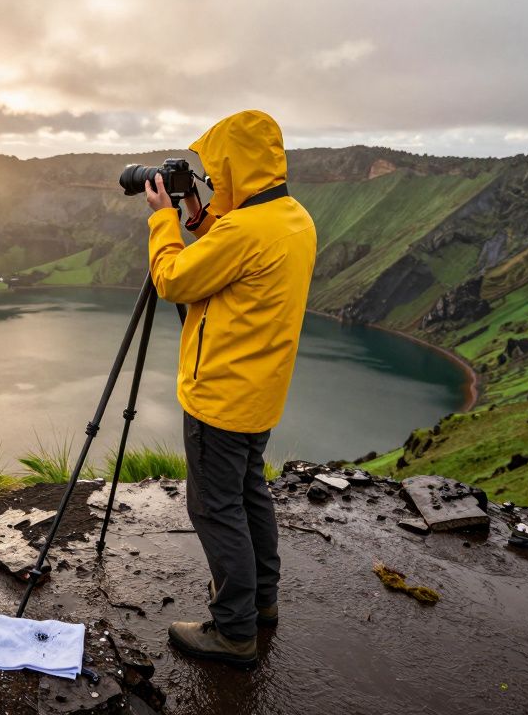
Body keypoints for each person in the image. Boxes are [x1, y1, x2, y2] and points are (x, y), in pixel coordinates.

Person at [141, 110, 316, 666]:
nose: (213, 183)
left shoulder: (243, 231)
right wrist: (200, 213)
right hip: (260, 394)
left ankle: (233, 629)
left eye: (218, 174)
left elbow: (173, 279)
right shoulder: (293, 218)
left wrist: (164, 220)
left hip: (219, 396)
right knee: (248, 495)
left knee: (215, 509)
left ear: (239, 166)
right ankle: (263, 603)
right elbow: (231, 256)